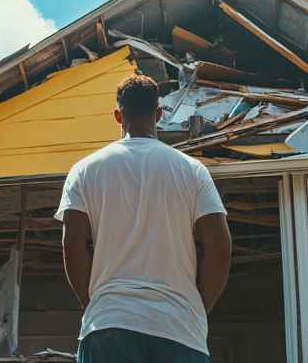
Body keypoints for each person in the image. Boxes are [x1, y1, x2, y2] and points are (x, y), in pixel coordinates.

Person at [55, 74, 232, 363]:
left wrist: (96, 303)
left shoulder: (84, 170)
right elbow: (220, 249)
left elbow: (71, 245)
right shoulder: (192, 170)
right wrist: (197, 307)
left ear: (117, 115)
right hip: (180, 328)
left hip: (108, 322)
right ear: (159, 114)